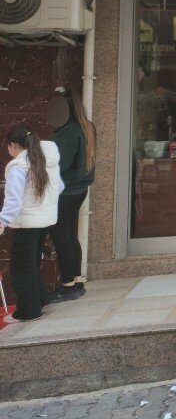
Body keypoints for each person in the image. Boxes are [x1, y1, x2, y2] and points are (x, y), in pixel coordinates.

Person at [1, 125, 64, 321]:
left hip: (26, 224)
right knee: (32, 264)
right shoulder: (45, 161)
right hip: (44, 221)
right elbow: (60, 187)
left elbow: (14, 199)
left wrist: (2, 221)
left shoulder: (17, 166)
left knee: (21, 269)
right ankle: (40, 300)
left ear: (12, 145)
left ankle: (28, 311)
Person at [46, 88, 96, 302]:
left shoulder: (67, 131)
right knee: (70, 234)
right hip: (80, 189)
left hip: (64, 191)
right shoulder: (87, 127)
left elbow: (60, 163)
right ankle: (76, 280)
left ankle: (68, 285)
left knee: (60, 236)